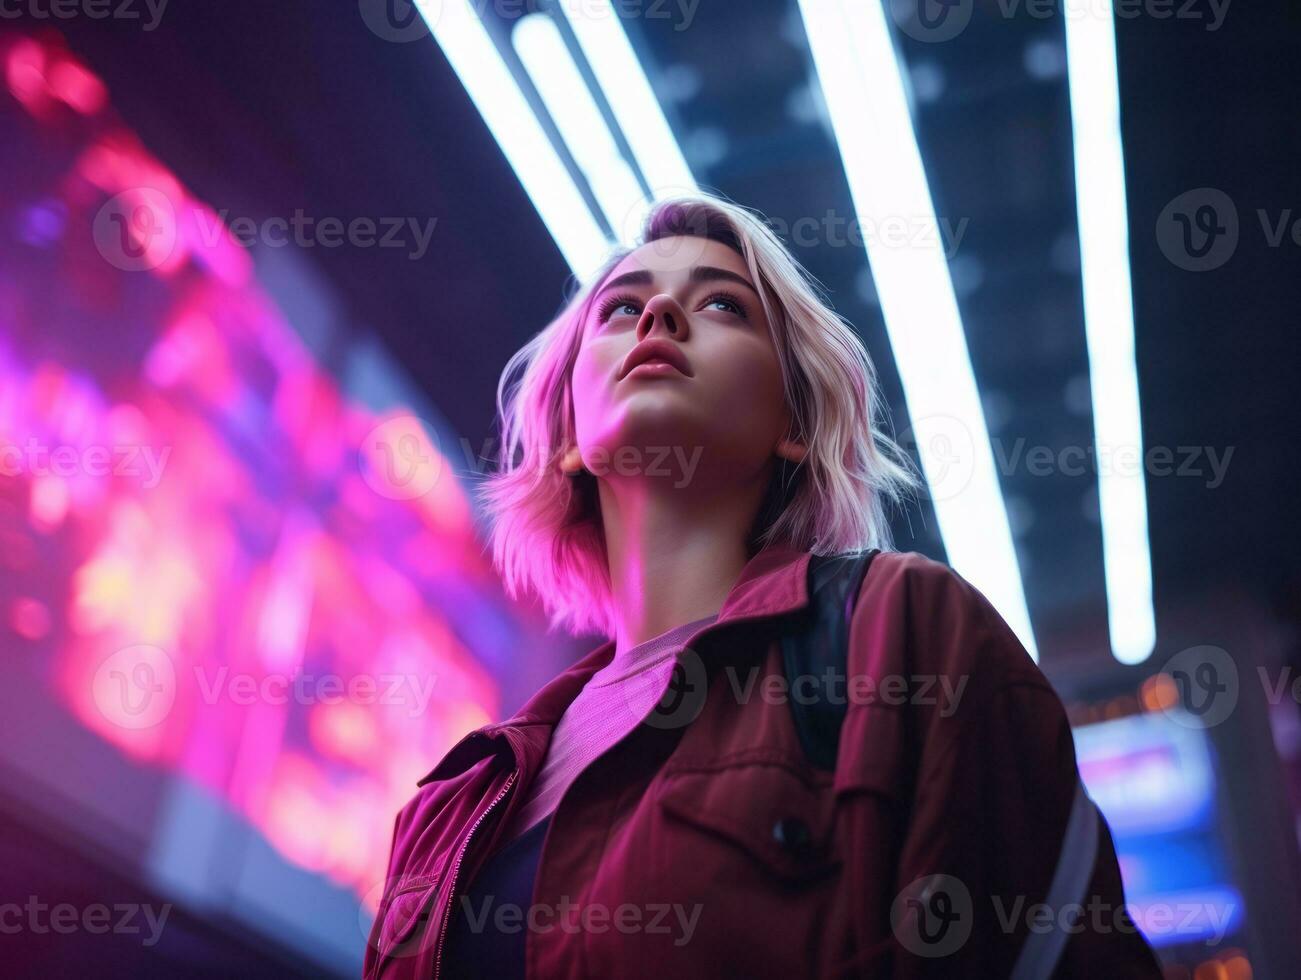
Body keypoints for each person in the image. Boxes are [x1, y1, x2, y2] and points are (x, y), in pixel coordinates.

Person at [363, 193, 1162, 979]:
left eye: (720, 304)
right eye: (619, 309)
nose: (659, 319)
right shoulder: (448, 805)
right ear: (568, 434)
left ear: (793, 423)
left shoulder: (903, 632)